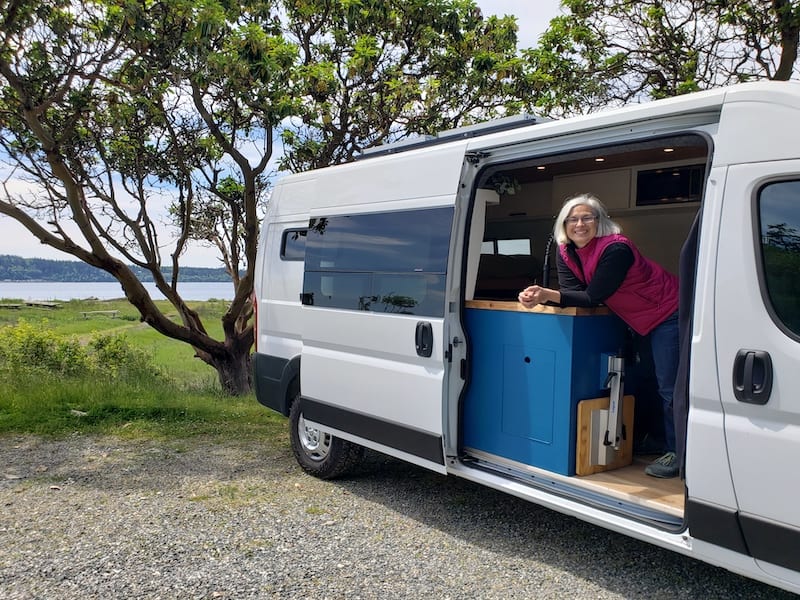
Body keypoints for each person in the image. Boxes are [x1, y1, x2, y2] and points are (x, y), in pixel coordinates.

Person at [518, 193, 680, 478]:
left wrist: (547, 294)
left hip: (668, 311)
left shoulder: (617, 249)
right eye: (573, 219)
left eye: (587, 218)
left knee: (669, 385)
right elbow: (570, 292)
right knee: (644, 379)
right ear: (564, 224)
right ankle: (657, 440)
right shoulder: (565, 250)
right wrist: (535, 297)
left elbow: (593, 296)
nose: (579, 224)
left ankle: (679, 453)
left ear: (600, 221)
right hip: (639, 319)